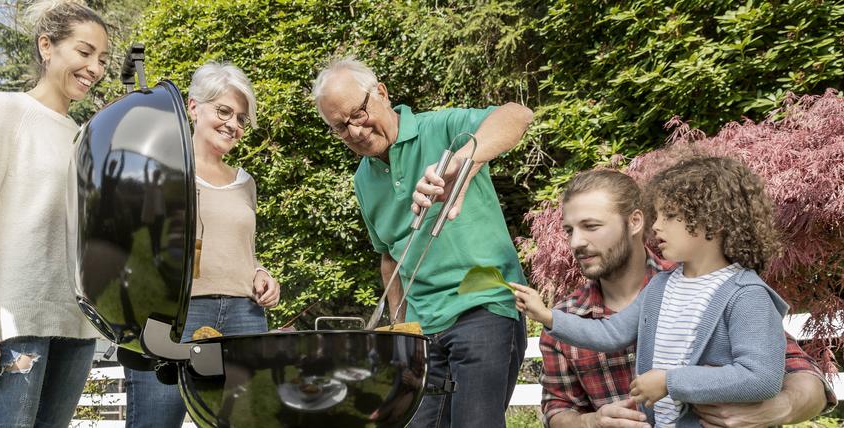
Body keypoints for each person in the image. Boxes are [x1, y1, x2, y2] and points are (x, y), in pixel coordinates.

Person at [514, 165, 835, 427]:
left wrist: (778, 409)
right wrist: (593, 422)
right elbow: (557, 409)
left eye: (591, 226)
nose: (575, 243)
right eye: (569, 230)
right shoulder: (580, 311)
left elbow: (797, 376)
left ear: (635, 222)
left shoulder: (737, 293)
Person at [312, 57, 533, 427]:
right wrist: (400, 332)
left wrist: (462, 163)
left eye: (358, 114)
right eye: (340, 127)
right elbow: (389, 257)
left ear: (380, 93)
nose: (355, 131)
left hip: (484, 308)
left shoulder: (441, 128)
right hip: (422, 333)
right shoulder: (362, 180)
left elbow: (517, 115)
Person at [0, 1, 110, 426]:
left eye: (102, 59)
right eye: (84, 53)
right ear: (47, 46)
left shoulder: (87, 138)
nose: (95, 68)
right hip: (14, 324)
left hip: (76, 324)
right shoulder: (4, 110)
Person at [121, 61, 281, 428]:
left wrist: (260, 274)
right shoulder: (157, 168)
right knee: (154, 423)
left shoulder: (245, 182)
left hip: (244, 316)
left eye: (241, 118)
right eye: (224, 111)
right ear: (193, 107)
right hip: (176, 315)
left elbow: (242, 251)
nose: (233, 124)